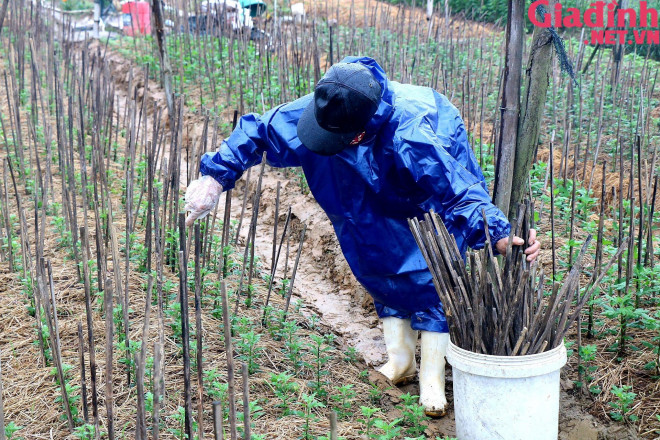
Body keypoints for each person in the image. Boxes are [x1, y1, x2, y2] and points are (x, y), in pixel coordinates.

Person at [184, 56, 540, 416]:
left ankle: (432, 378)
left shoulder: (412, 133)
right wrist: (215, 178)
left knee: (430, 270)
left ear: (355, 135)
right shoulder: (331, 107)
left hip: (420, 184)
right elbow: (261, 129)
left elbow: (456, 189)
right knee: (371, 251)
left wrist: (495, 233)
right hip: (356, 186)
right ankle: (401, 361)